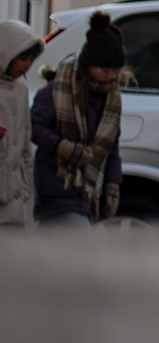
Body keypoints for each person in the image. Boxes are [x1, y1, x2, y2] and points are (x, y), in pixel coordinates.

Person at [30, 12, 122, 225]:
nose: (110, 76)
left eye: (115, 71)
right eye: (104, 69)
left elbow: (112, 147)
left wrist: (112, 185)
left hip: (88, 192)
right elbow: (34, 126)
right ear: (88, 65)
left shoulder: (110, 99)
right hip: (57, 186)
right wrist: (63, 147)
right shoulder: (57, 90)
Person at [0, 17, 40, 229]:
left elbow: (25, 141)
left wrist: (27, 188)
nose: (26, 66)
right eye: (22, 58)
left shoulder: (21, 89)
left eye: (31, 60)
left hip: (14, 195)